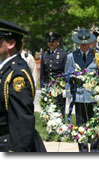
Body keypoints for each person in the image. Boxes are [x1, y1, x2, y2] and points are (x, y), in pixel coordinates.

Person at [0, 19, 46, 152]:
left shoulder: (17, 75)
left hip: (9, 144)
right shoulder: (5, 69)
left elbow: (22, 121)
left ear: (11, 44)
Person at [65, 29, 99, 152]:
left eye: (86, 43)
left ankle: (95, 150)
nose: (84, 46)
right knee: (80, 126)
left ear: (90, 43)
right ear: (78, 43)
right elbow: (67, 75)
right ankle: (82, 150)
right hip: (78, 96)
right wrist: (67, 93)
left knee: (95, 125)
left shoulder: (98, 57)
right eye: (81, 43)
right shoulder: (71, 56)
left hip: (94, 97)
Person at [40, 32, 67, 118]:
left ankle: (61, 124)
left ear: (57, 42)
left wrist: (66, 87)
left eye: (53, 41)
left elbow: (65, 71)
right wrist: (42, 85)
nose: (51, 43)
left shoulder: (63, 54)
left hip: (59, 85)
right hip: (48, 84)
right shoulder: (44, 54)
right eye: (49, 42)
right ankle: (50, 124)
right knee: (49, 105)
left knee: (60, 105)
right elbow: (43, 72)